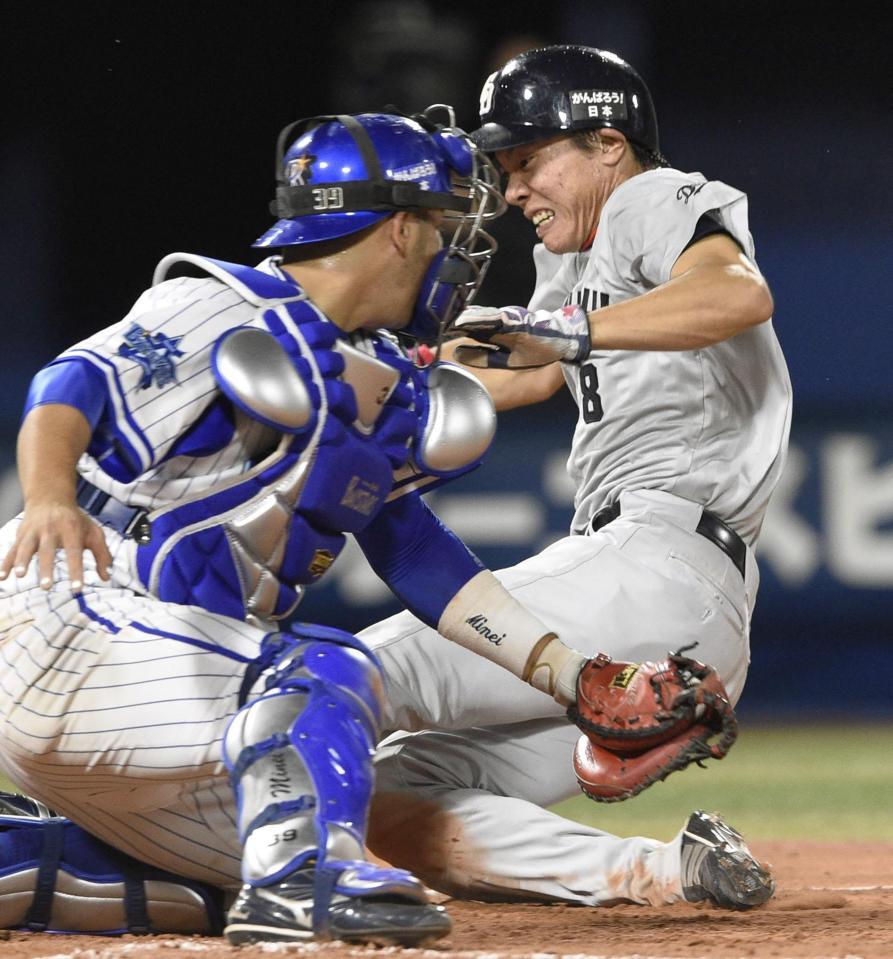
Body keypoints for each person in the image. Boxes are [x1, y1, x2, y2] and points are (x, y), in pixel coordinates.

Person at [0, 105, 615, 943]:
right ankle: (304, 884)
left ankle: (18, 861)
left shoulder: (371, 372)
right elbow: (69, 386)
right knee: (325, 671)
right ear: (398, 230)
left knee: (240, 869)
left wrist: (567, 672)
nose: (448, 248)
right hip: (73, 615)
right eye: (436, 223)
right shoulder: (219, 303)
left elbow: (415, 551)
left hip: (158, 679)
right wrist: (47, 497)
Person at [357, 45, 791, 908]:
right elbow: (527, 371)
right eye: (506, 166)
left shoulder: (644, 198)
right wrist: (372, 381)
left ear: (606, 142)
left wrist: (564, 334)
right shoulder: (579, 259)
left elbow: (738, 293)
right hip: (657, 614)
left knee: (345, 675)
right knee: (390, 791)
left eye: (528, 159)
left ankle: (126, 833)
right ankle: (672, 873)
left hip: (657, 563)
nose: (512, 188)